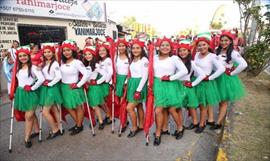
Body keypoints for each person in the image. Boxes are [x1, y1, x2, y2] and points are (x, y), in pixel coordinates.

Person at [152, 37, 188, 146]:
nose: (165, 47)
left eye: (167, 45)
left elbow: (184, 71)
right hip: (157, 85)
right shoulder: (154, 57)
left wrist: (171, 78)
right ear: (159, 47)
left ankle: (180, 128)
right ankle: (161, 131)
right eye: (162, 45)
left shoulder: (174, 59)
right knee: (160, 110)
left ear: (171, 47)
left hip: (170, 85)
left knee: (171, 109)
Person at [211, 31, 247, 130]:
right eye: (222, 40)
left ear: (230, 41)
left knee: (224, 101)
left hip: (226, 80)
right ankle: (220, 118)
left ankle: (218, 122)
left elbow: (243, 64)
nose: (223, 42)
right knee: (220, 100)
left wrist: (232, 73)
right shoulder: (216, 50)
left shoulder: (234, 53)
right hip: (217, 77)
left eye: (226, 40)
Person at [12, 46, 45, 148]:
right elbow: (16, 81)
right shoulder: (17, 68)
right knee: (31, 114)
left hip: (31, 94)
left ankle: (26, 138)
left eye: (24, 55)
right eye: (20, 56)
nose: (22, 58)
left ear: (28, 56)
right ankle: (36, 130)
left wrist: (32, 87)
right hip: (21, 93)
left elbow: (41, 79)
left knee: (28, 116)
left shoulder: (34, 67)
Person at [193, 34, 225, 133]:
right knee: (197, 104)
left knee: (203, 105)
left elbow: (222, 69)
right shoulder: (196, 55)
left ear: (208, 45)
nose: (201, 47)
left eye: (204, 45)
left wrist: (210, 78)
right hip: (196, 81)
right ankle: (201, 121)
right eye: (199, 45)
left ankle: (202, 124)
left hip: (205, 83)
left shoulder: (212, 56)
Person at [60, 40, 89, 135]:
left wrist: (78, 85)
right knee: (68, 106)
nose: (66, 52)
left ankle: (79, 126)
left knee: (77, 107)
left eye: (68, 50)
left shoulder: (77, 62)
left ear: (72, 50)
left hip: (74, 87)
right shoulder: (62, 62)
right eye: (64, 50)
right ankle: (78, 123)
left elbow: (86, 74)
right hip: (64, 87)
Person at [177, 40, 205, 131]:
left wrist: (192, 84)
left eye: (184, 50)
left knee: (191, 106)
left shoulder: (192, 63)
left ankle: (195, 122)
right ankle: (181, 125)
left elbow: (202, 75)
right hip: (177, 86)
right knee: (178, 106)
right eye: (180, 51)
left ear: (189, 51)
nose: (182, 52)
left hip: (186, 86)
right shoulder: (176, 61)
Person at [39, 43, 63, 139]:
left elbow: (59, 77)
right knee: (54, 109)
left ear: (53, 53)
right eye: (45, 52)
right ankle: (60, 128)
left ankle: (55, 129)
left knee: (45, 112)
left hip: (51, 88)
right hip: (46, 88)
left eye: (49, 52)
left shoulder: (55, 63)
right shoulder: (45, 63)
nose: (47, 54)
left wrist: (50, 84)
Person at [126, 39, 148, 138]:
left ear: (141, 49)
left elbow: (145, 76)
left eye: (137, 48)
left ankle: (134, 128)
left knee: (129, 107)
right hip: (132, 84)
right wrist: (126, 83)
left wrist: (138, 90)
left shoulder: (144, 60)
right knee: (139, 106)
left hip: (139, 85)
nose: (135, 50)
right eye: (133, 48)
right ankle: (141, 125)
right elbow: (131, 73)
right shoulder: (132, 59)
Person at [82, 46, 106, 130]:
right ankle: (107, 116)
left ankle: (101, 121)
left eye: (89, 54)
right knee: (97, 104)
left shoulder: (96, 65)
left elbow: (105, 75)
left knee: (95, 105)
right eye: (86, 54)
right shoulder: (85, 64)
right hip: (88, 87)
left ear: (93, 54)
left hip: (94, 88)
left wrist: (97, 82)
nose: (87, 56)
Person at [96, 43, 114, 124]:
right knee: (101, 101)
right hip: (99, 82)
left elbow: (110, 72)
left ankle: (110, 116)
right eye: (100, 50)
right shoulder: (99, 60)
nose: (101, 52)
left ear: (107, 51)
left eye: (103, 50)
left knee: (103, 101)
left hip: (104, 83)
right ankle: (108, 114)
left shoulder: (108, 60)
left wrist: (106, 82)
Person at [115, 38, 130, 132]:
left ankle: (123, 123)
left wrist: (126, 82)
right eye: (119, 46)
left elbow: (131, 71)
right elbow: (113, 69)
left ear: (126, 47)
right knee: (120, 103)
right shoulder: (115, 57)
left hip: (127, 80)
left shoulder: (130, 57)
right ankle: (124, 120)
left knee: (124, 102)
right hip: (118, 80)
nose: (121, 47)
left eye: (123, 46)